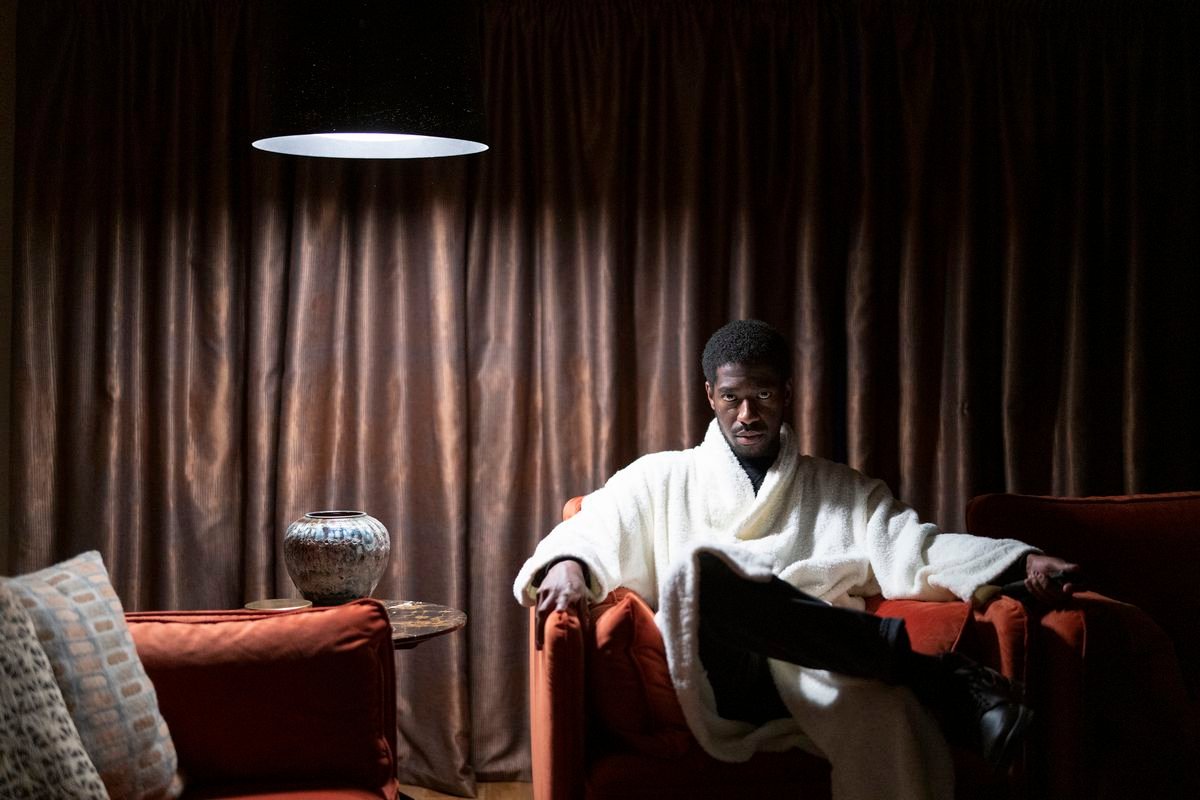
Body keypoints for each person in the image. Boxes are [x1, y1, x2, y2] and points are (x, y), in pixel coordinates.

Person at [513, 319, 1082, 800]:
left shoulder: (840, 489)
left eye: (762, 394)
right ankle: (944, 681)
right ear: (709, 394)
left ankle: (929, 677)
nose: (746, 413)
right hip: (722, 680)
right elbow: (593, 525)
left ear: (786, 392)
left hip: (821, 668)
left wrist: (1019, 564)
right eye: (732, 397)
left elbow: (918, 546)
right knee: (702, 573)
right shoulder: (661, 478)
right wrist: (568, 564)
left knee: (716, 579)